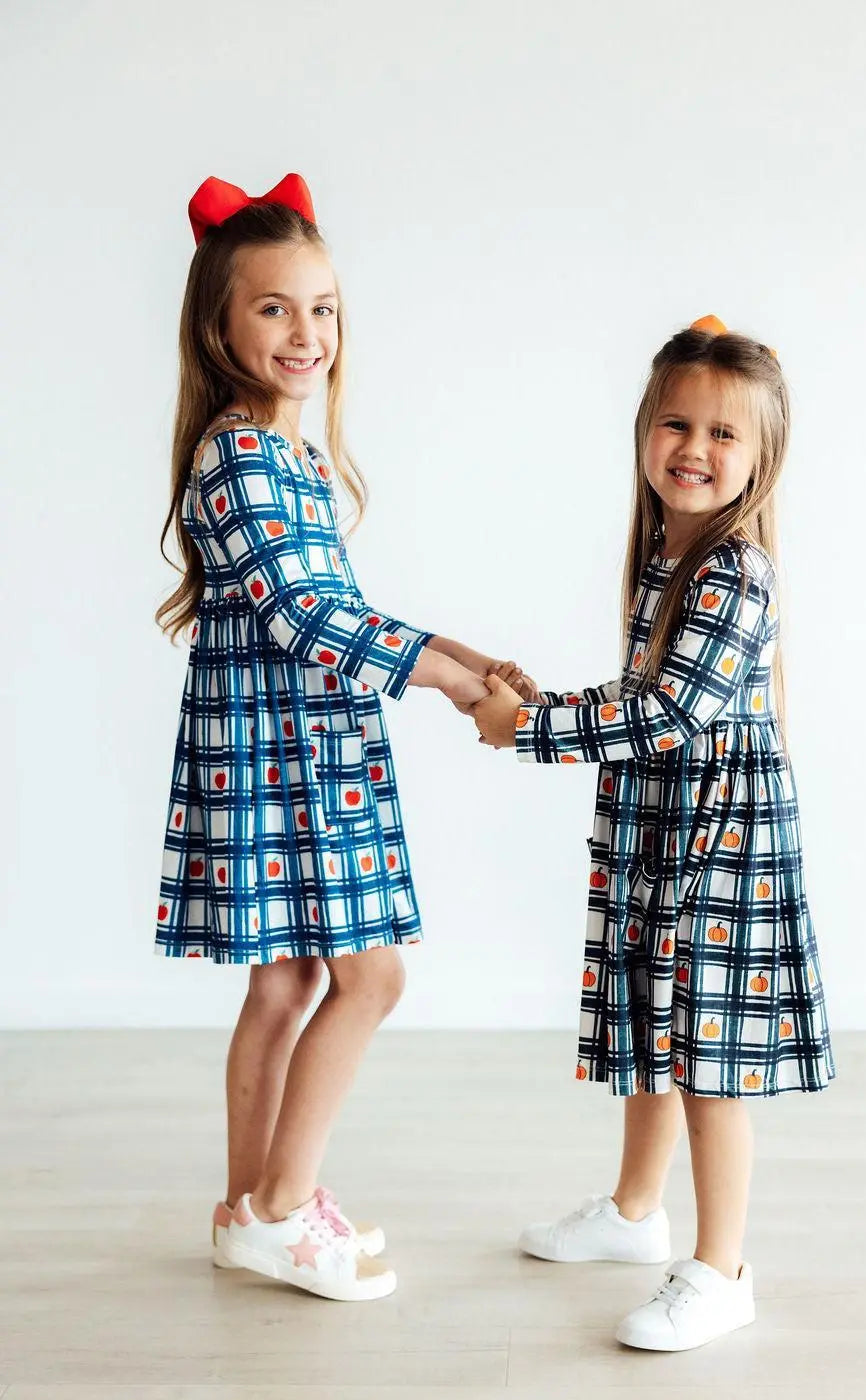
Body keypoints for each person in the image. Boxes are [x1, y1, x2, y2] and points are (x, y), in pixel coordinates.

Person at [154, 173, 517, 1301]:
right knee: (370, 976)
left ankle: (249, 1208)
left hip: (292, 750)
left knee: (287, 983)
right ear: (220, 324)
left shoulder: (291, 458)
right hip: (281, 757)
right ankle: (278, 1206)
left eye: (322, 307)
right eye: (274, 308)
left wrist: (462, 650)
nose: (305, 331)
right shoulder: (240, 458)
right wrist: (454, 686)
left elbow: (340, 604)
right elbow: (307, 619)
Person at [473, 317, 834, 1350]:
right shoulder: (667, 559)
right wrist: (545, 700)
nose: (695, 446)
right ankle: (637, 1211)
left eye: (724, 432)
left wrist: (531, 729)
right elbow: (644, 694)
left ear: (761, 458)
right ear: (643, 430)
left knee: (706, 1058)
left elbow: (671, 713)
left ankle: (722, 1268)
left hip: (721, 842)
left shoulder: (733, 574)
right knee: (652, 1029)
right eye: (677, 421)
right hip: (662, 826)